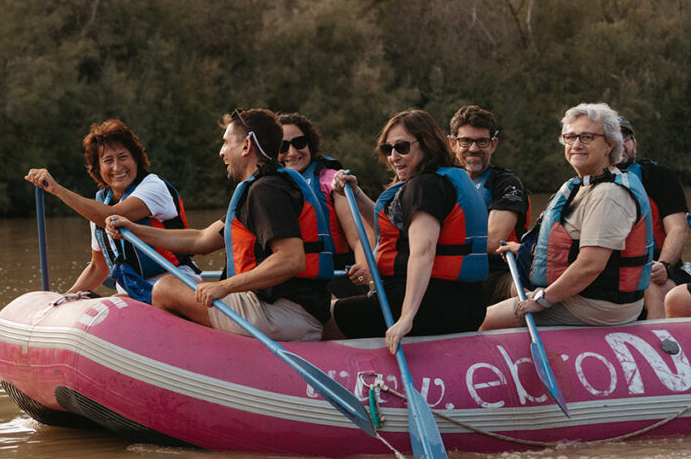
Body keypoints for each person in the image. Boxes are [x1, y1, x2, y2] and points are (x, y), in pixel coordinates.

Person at [106, 109, 334, 341]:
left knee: (166, 288)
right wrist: (134, 230)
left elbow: (291, 259)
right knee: (175, 286)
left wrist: (226, 287)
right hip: (282, 310)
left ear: (246, 146)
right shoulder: (263, 188)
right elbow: (200, 240)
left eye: (226, 143)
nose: (221, 151)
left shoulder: (266, 191)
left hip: (284, 314)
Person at [482, 103, 654, 330]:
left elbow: (590, 265)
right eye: (570, 137)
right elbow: (567, 246)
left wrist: (542, 299)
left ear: (609, 145)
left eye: (586, 137)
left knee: (482, 321)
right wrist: (525, 251)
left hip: (599, 306)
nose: (576, 145)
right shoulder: (580, 186)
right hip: (586, 296)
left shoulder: (609, 194)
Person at [329, 109, 488, 353]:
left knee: (322, 315)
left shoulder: (424, 187)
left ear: (427, 144)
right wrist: (357, 195)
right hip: (466, 304)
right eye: (387, 149)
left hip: (430, 304)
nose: (393, 157)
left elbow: (423, 252)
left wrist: (405, 318)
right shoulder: (441, 180)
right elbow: (392, 227)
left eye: (402, 147)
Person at [23, 118, 198, 304]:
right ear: (98, 169)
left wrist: (56, 189)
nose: (117, 167)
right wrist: (64, 300)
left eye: (123, 157)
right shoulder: (99, 205)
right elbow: (98, 268)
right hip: (133, 292)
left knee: (117, 303)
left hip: (174, 286)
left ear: (136, 160)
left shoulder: (154, 187)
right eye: (108, 160)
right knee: (110, 303)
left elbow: (111, 215)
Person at [276, 112, 374, 297]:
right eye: (283, 146)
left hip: (335, 278)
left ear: (310, 144)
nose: (292, 152)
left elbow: (359, 238)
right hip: (291, 281)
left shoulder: (332, 181)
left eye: (299, 143)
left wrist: (362, 267)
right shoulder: (267, 189)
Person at [447, 105, 531, 305]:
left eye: (482, 141)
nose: (474, 149)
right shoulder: (443, 182)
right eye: (466, 141)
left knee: (526, 289)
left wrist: (434, 245)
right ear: (452, 143)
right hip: (449, 271)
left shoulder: (506, 183)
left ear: (493, 144)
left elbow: (493, 242)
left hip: (496, 272)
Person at [614, 116, 690, 318]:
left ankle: (663, 344)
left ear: (634, 144)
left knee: (652, 285)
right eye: (612, 137)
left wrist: (664, 265)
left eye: (624, 137)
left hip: (659, 267)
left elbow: (677, 228)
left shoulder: (659, 176)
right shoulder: (584, 185)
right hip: (612, 272)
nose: (620, 143)